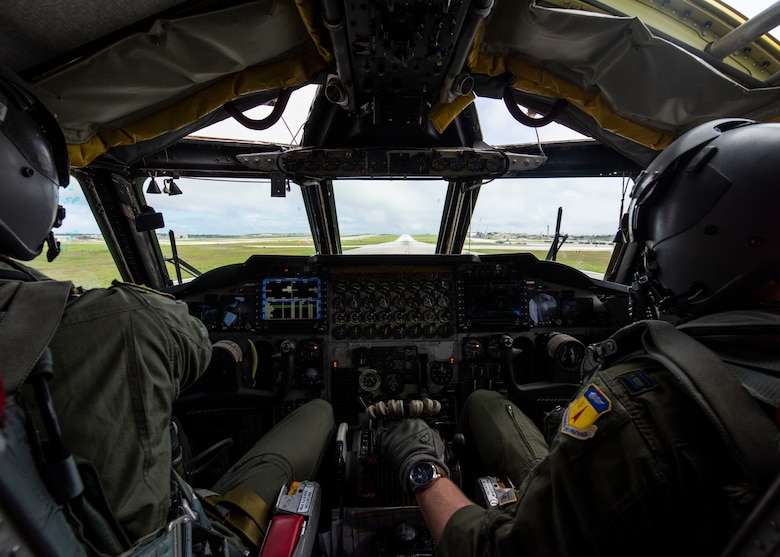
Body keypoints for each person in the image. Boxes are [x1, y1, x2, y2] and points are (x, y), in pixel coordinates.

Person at [380, 118, 780, 556]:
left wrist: (422, 466)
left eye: (653, 243)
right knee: (482, 400)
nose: (648, 262)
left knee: (477, 403)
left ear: (701, 239)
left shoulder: (645, 407)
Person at [0, 64, 335, 554]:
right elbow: (185, 341)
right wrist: (229, 354)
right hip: (181, 539)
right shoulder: (118, 321)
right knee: (322, 409)